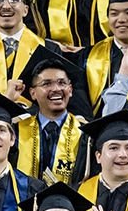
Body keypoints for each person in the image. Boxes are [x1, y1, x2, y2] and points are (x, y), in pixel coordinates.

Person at [12, 45, 90, 183]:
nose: (56, 89)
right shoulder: (16, 131)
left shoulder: (86, 135)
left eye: (62, 83)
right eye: (46, 83)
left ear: (70, 90)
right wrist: (8, 100)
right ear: (33, 93)